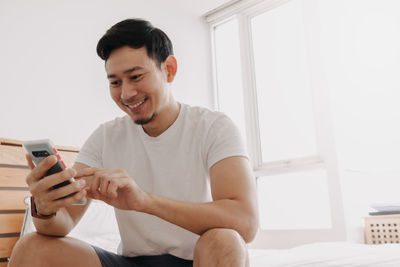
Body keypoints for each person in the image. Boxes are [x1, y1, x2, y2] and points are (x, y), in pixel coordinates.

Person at [9, 18, 258, 267]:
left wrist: (145, 202)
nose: (126, 94)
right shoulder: (105, 137)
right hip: (133, 262)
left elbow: (245, 222)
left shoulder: (214, 127)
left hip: (199, 259)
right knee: (31, 247)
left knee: (226, 240)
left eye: (136, 76)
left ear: (169, 69)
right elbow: (64, 222)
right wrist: (44, 208)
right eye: (115, 82)